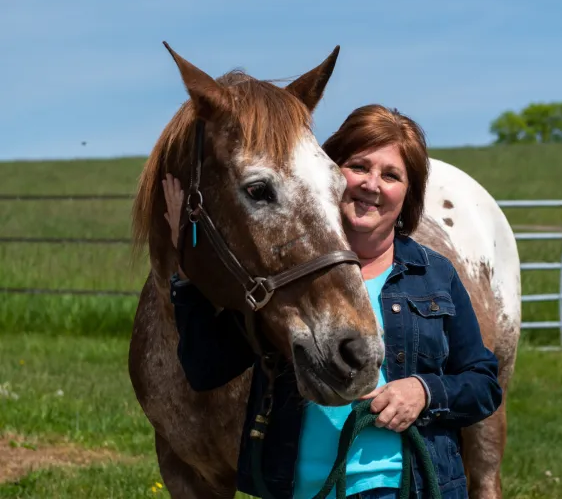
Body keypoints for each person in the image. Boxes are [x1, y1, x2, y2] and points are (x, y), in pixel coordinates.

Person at [164, 104, 503, 499]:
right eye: (359, 167)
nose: (372, 184)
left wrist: (423, 392)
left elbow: (483, 384)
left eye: (391, 175)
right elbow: (205, 370)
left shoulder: (434, 275)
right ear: (329, 171)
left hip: (408, 488)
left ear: (408, 193)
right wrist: (185, 265)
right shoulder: (290, 278)